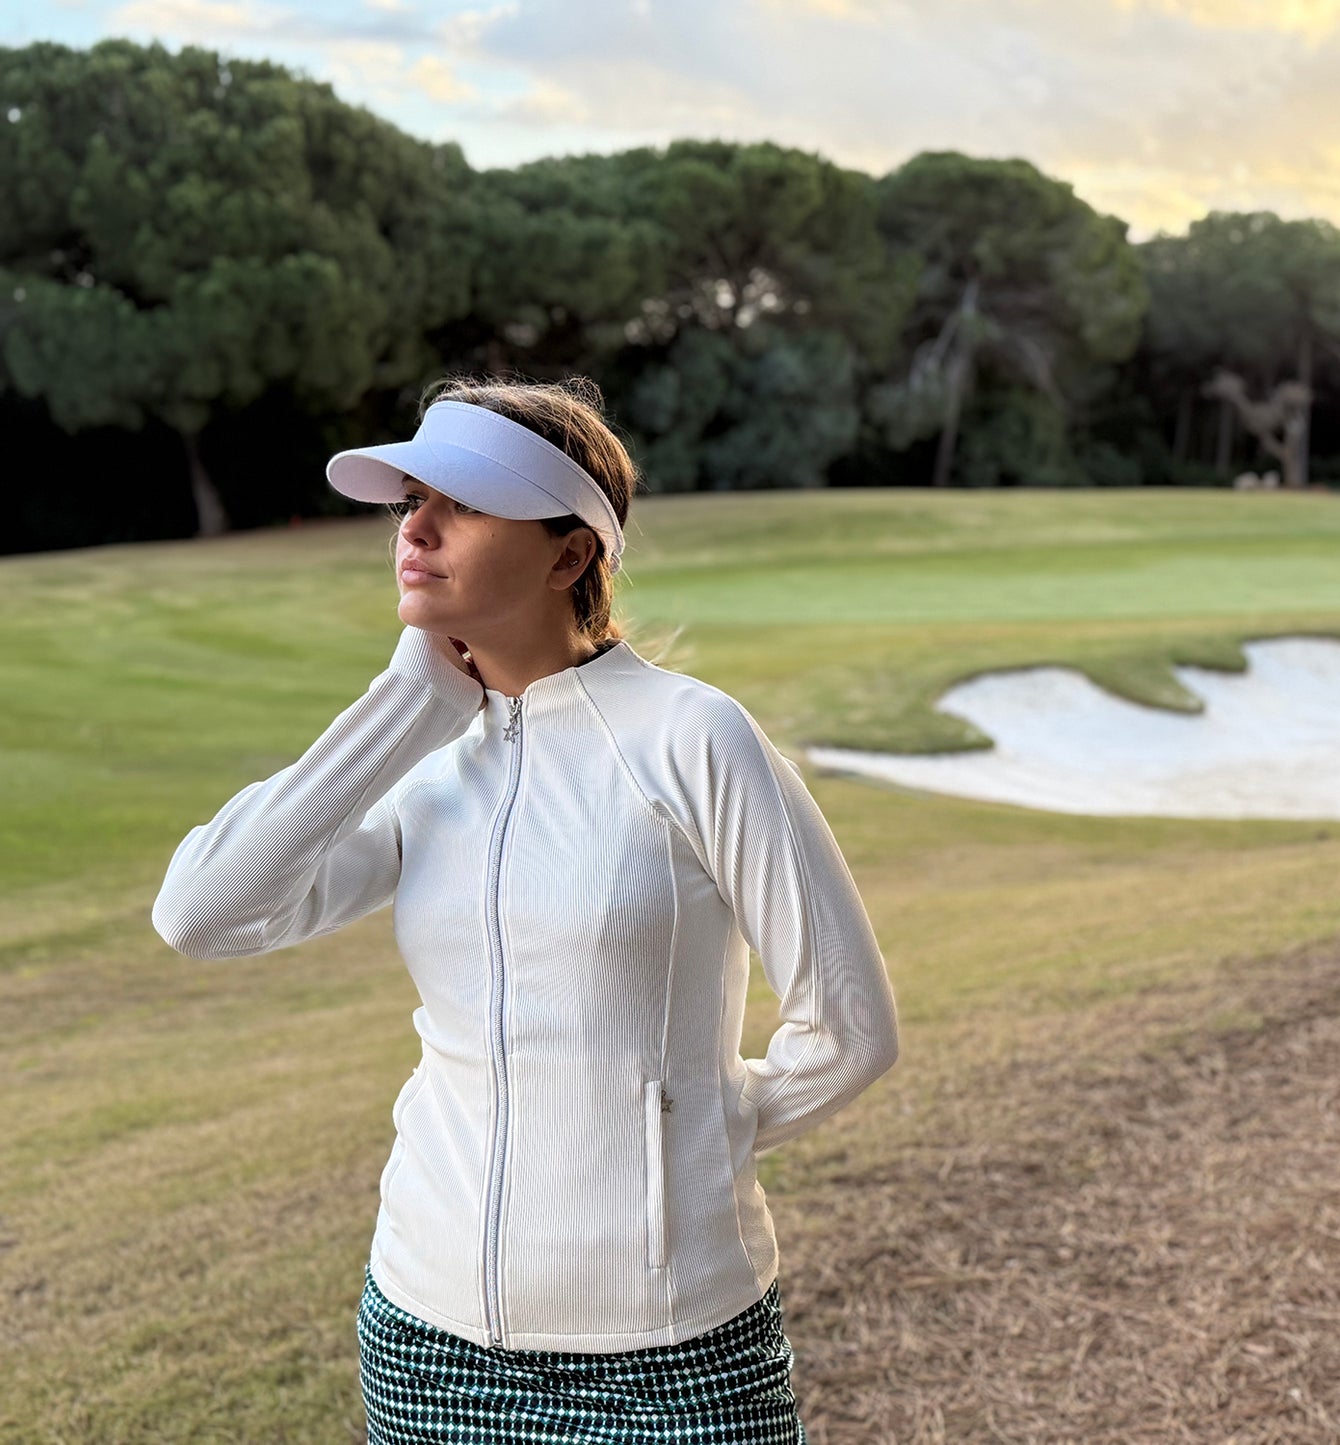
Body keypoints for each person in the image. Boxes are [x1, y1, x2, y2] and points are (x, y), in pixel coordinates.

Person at [152, 374, 900, 1444]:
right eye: (411, 499)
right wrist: (406, 704)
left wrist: (693, 1139)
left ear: (568, 555)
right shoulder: (425, 759)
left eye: (462, 503)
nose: (416, 527)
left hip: (672, 1348)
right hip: (425, 1331)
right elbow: (202, 914)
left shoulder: (693, 739)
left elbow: (850, 1028)